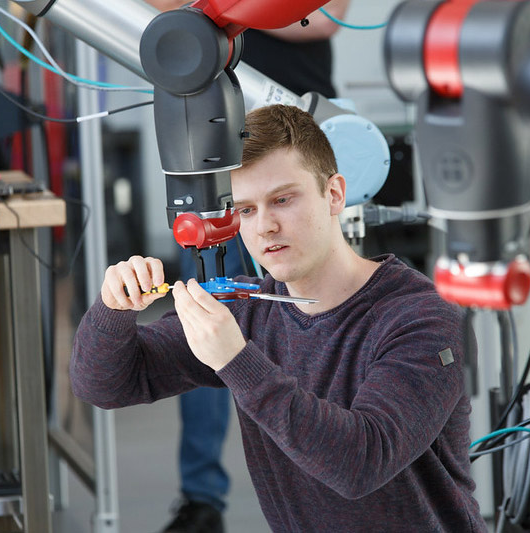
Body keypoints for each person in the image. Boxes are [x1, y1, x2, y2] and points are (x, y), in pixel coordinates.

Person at [70, 104, 487, 532]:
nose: (265, 226)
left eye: (283, 199)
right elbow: (103, 384)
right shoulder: (249, 307)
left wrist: (236, 360)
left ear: (335, 194)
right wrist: (113, 309)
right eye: (246, 210)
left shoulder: (424, 317)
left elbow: (360, 462)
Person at [143, 2, 350, 530]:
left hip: (295, 132)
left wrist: (222, 11)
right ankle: (202, 499)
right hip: (210, 135)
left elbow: (322, 18)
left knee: (320, 319)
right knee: (203, 319)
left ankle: (333, 482)